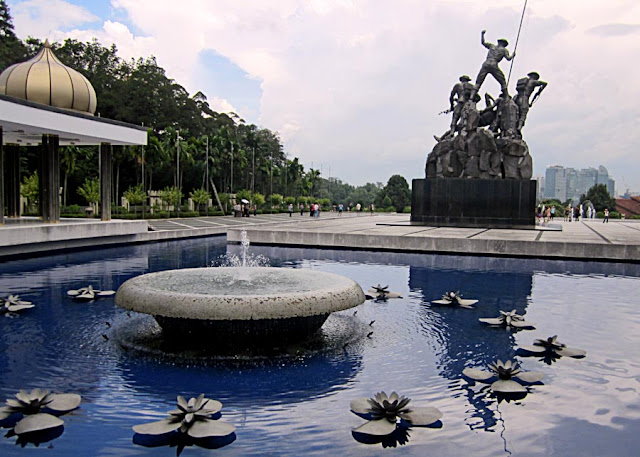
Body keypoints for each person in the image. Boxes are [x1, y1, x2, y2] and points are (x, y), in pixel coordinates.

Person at [472, 30, 515, 98]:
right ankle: (506, 96)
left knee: (478, 82)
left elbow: (483, 42)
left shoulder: (492, 46)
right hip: (494, 64)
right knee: (502, 80)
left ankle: (471, 97)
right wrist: (513, 55)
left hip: (486, 63)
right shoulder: (504, 50)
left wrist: (482, 34)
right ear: (504, 44)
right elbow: (508, 58)